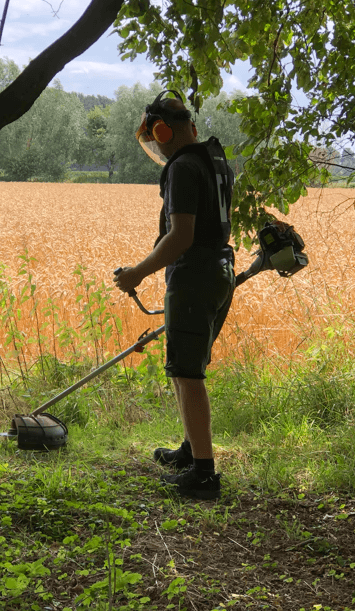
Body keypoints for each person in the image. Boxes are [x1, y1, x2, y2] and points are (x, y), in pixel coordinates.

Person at [113, 90, 235, 500]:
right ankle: (190, 449)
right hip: (220, 270)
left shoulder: (183, 167)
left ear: (162, 131)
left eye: (155, 137)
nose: (156, 147)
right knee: (186, 365)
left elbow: (181, 234)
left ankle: (204, 474)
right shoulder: (214, 161)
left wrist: (137, 274)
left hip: (195, 276)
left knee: (188, 373)